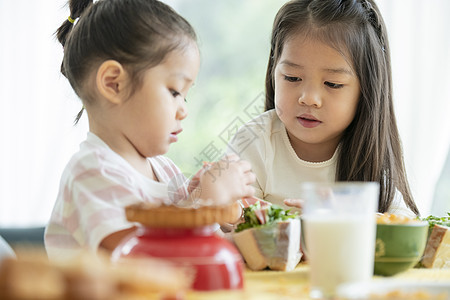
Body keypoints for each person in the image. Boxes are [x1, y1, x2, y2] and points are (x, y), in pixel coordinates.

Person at [45, 0, 255, 261]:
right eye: (175, 92)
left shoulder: (166, 171)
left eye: (185, 98)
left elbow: (197, 250)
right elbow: (143, 256)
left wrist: (226, 212)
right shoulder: (92, 172)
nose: (183, 110)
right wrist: (207, 204)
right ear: (114, 84)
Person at [227, 0, 419, 218]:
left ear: (367, 90)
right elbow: (229, 219)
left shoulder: (368, 153)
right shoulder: (256, 142)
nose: (309, 99)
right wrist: (228, 212)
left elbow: (405, 224)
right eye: (292, 78)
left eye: (333, 84)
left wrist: (352, 218)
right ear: (274, 71)